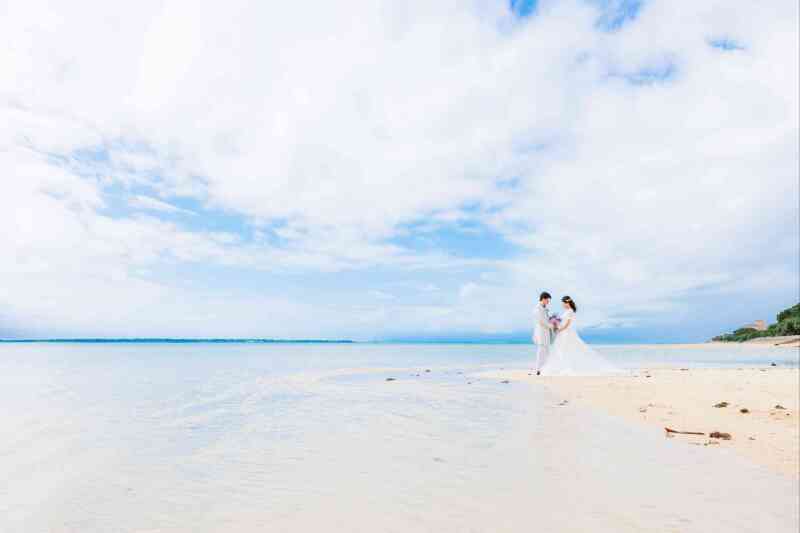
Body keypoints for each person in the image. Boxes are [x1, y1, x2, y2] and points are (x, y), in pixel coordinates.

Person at [540, 296, 618, 376]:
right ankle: (563, 366)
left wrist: (560, 329)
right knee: (561, 349)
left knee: (565, 349)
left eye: (563, 303)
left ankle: (567, 367)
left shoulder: (570, 311)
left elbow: (568, 324)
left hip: (566, 332)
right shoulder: (567, 311)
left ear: (567, 303)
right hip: (563, 332)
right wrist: (556, 323)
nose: (562, 305)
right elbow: (562, 321)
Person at [532, 291, 554, 375]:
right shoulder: (537, 309)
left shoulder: (544, 308)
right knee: (541, 351)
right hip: (541, 332)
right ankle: (538, 369)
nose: (548, 302)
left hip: (546, 332)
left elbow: (546, 319)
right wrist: (551, 326)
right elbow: (541, 321)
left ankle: (545, 368)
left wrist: (552, 321)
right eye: (548, 300)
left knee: (547, 350)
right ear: (543, 299)